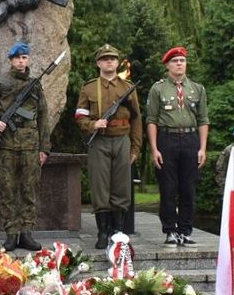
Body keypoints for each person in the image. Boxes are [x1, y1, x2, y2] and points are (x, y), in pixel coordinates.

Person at [0, 41, 51, 252]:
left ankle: (26, 234)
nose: (21, 61)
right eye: (17, 58)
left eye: (24, 57)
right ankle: (11, 234)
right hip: (6, 146)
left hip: (30, 146)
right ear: (11, 59)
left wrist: (44, 148)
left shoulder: (35, 84)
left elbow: (43, 116)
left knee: (29, 190)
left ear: (28, 59)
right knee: (7, 191)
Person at [74, 44, 142, 250]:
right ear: (98, 63)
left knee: (121, 187)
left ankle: (118, 231)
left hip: (122, 139)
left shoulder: (127, 87)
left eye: (112, 58)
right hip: (99, 141)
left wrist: (136, 148)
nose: (109, 61)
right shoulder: (89, 88)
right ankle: (102, 232)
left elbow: (137, 119)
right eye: (105, 59)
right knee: (100, 186)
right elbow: (79, 115)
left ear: (117, 62)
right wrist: (92, 125)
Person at [146, 46, 209, 245]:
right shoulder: (158, 88)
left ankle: (186, 230)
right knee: (168, 188)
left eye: (182, 60)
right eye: (175, 61)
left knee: (188, 188)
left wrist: (202, 148)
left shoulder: (197, 89)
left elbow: (203, 120)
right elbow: (152, 120)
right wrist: (155, 148)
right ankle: (170, 230)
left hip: (190, 140)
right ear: (167, 65)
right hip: (167, 139)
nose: (179, 64)